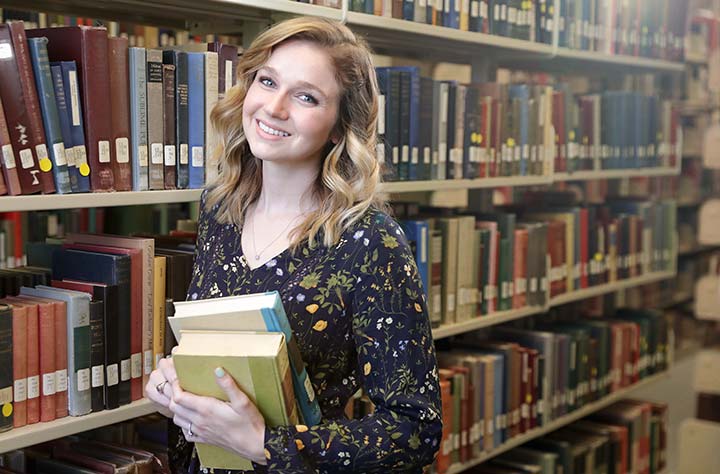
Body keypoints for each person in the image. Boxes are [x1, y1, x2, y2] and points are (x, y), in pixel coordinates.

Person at [145, 16, 442, 473]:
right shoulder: (220, 209)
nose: (274, 107)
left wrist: (267, 443)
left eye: (306, 96)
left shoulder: (369, 241)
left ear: (341, 127)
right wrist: (177, 386)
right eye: (268, 81)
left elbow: (415, 429)